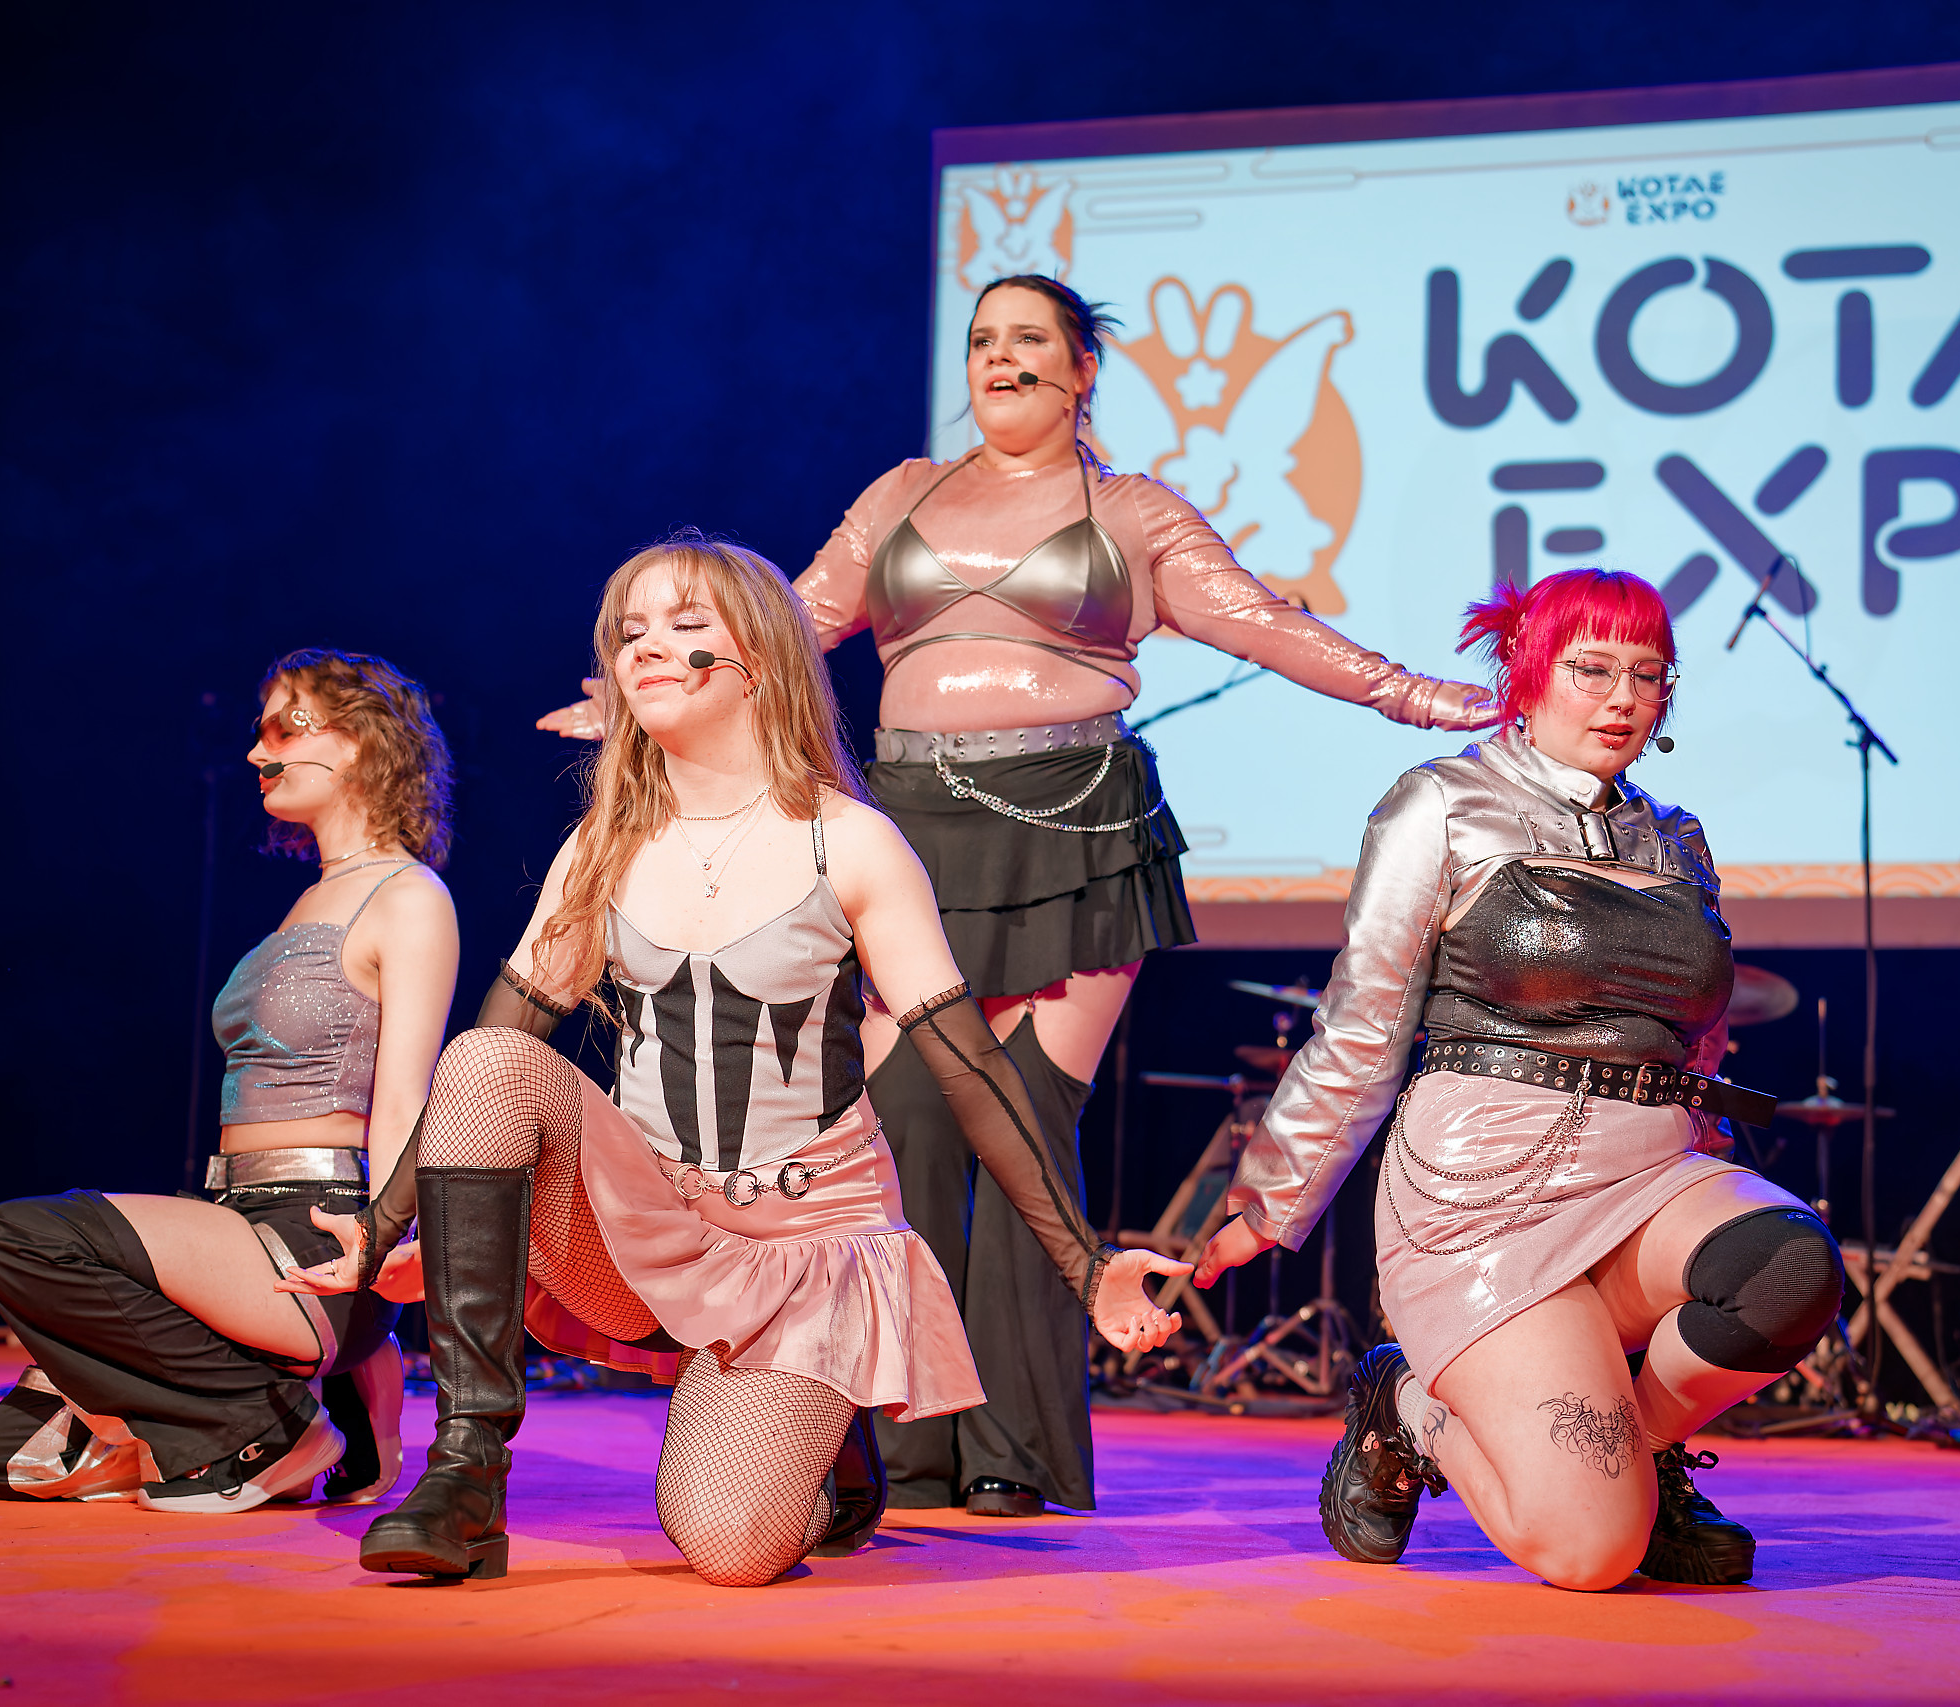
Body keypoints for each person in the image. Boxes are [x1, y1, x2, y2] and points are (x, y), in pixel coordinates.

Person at [542, 273, 1492, 1517]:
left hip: (1074, 825)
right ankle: (891, 1445)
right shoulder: (902, 494)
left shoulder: (1132, 511)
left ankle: (1013, 1452)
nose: (1000, 356)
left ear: (1081, 368)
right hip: (914, 824)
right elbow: (788, 621)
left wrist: (1415, 697)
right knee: (905, 1121)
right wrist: (642, 688)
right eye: (983, 338)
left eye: (1029, 338)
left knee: (1029, 1120)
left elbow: (1263, 625)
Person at [287, 533, 1187, 1588]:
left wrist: (1087, 1263)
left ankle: (830, 1433)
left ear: (757, 657)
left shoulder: (848, 841)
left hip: (797, 1245)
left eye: (683, 625)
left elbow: (969, 1069)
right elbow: (490, 1066)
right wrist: (381, 1229)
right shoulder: (601, 847)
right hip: (645, 1226)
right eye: (629, 631)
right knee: (488, 1057)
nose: (644, 648)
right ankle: (466, 1474)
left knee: (730, 1546)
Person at [1194, 568, 1844, 1590]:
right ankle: (1407, 1407)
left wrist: (1707, 1145)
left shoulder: (1675, 836)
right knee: (1591, 1552)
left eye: (1647, 676)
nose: (1623, 698)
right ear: (1528, 673)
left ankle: (1641, 1454)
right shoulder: (1443, 804)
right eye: (1592, 670)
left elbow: (1700, 1032)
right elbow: (1363, 1022)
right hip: (1485, 1189)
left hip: (1649, 1173)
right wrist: (1267, 1205)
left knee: (1789, 1268)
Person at [0, 649, 458, 1512]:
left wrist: (385, 1239)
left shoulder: (408, 895)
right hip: (233, 1216)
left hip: (313, 1233)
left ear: (356, 742)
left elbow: (406, 1098)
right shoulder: (311, 899)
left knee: (15, 1238)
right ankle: (313, 1407)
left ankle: (272, 1428)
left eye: (282, 727)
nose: (256, 751)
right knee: (6, 1454)